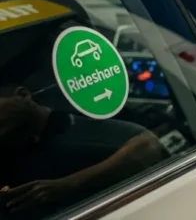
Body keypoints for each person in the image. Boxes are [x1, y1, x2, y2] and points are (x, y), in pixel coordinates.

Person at [0, 82, 166, 217]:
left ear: (23, 95)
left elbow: (148, 145)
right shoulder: (10, 155)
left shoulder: (77, 120)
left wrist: (69, 184)